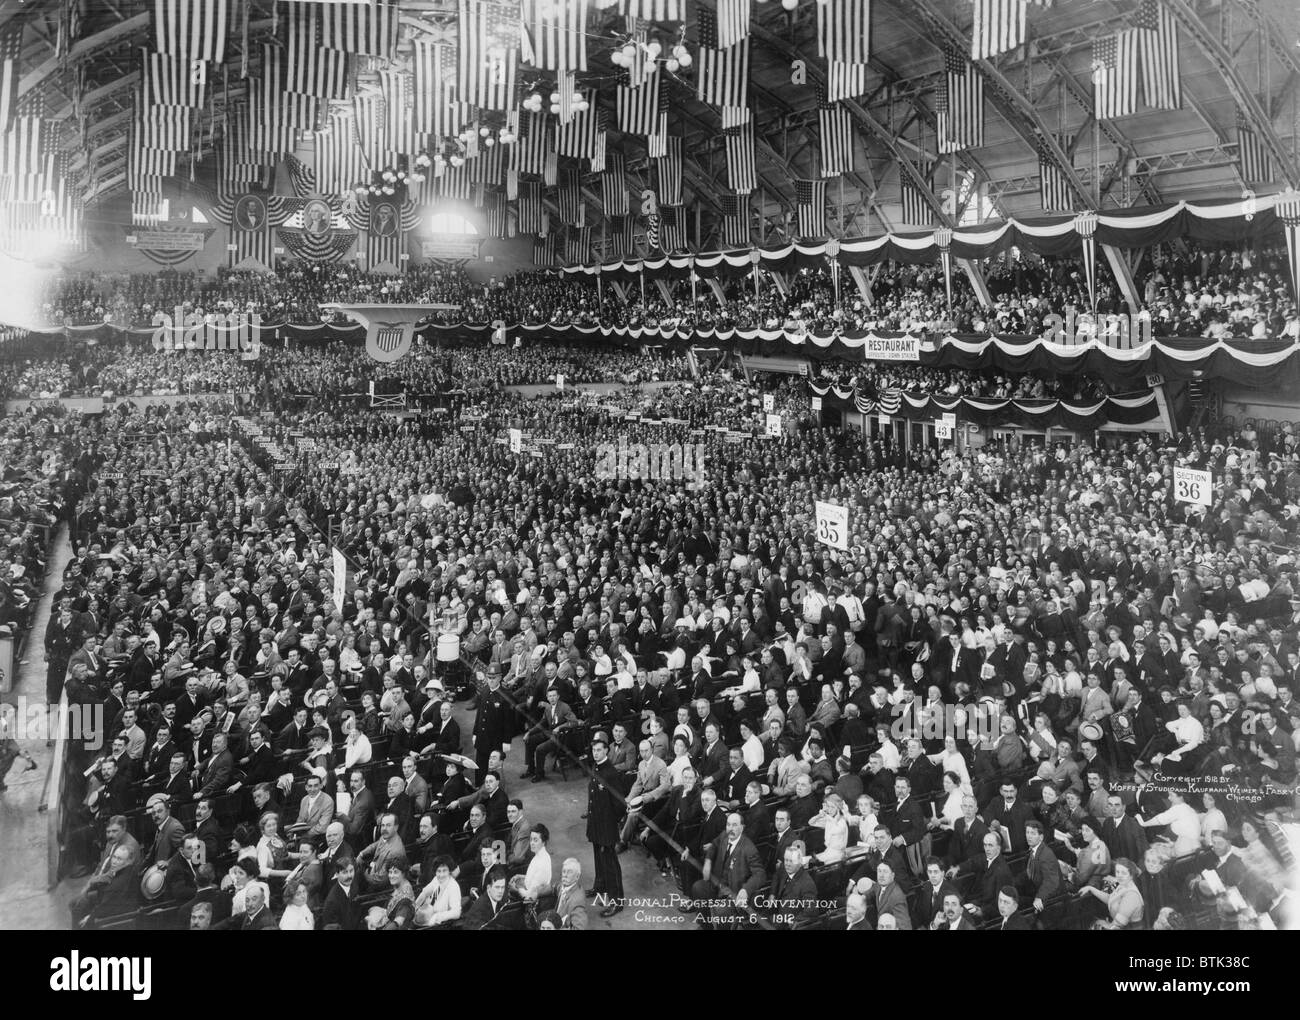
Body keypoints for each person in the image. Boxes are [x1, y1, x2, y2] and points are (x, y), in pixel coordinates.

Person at [690, 811, 766, 930]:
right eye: (728, 824)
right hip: (717, 884)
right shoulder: (724, 835)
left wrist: (746, 889)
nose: (731, 828)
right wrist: (708, 860)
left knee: (720, 912)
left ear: (742, 827)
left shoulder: (749, 849)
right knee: (697, 888)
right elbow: (714, 845)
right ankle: (707, 926)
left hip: (732, 893)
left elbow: (760, 874)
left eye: (735, 825)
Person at [586, 736, 624, 917]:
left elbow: (619, 804)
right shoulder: (596, 767)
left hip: (606, 827)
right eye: (594, 750)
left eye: (599, 750)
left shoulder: (610, 772)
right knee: (598, 858)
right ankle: (600, 887)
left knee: (610, 864)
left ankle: (617, 901)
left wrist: (610, 823)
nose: (596, 753)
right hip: (595, 824)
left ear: (606, 751)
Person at [1079, 857, 1145, 929]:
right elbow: (1110, 898)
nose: (1119, 875)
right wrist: (1091, 889)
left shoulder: (1131, 895)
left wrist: (1105, 924)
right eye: (1118, 872)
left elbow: (1117, 924)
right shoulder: (1123, 885)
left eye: (1124, 873)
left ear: (1131, 875)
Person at [414, 855, 462, 927]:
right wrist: (414, 907)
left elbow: (456, 912)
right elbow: (424, 893)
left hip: (439, 924)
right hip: (426, 915)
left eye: (444, 871)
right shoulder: (436, 879)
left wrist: (436, 917)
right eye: (439, 871)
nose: (441, 875)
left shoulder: (453, 887)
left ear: (449, 871)